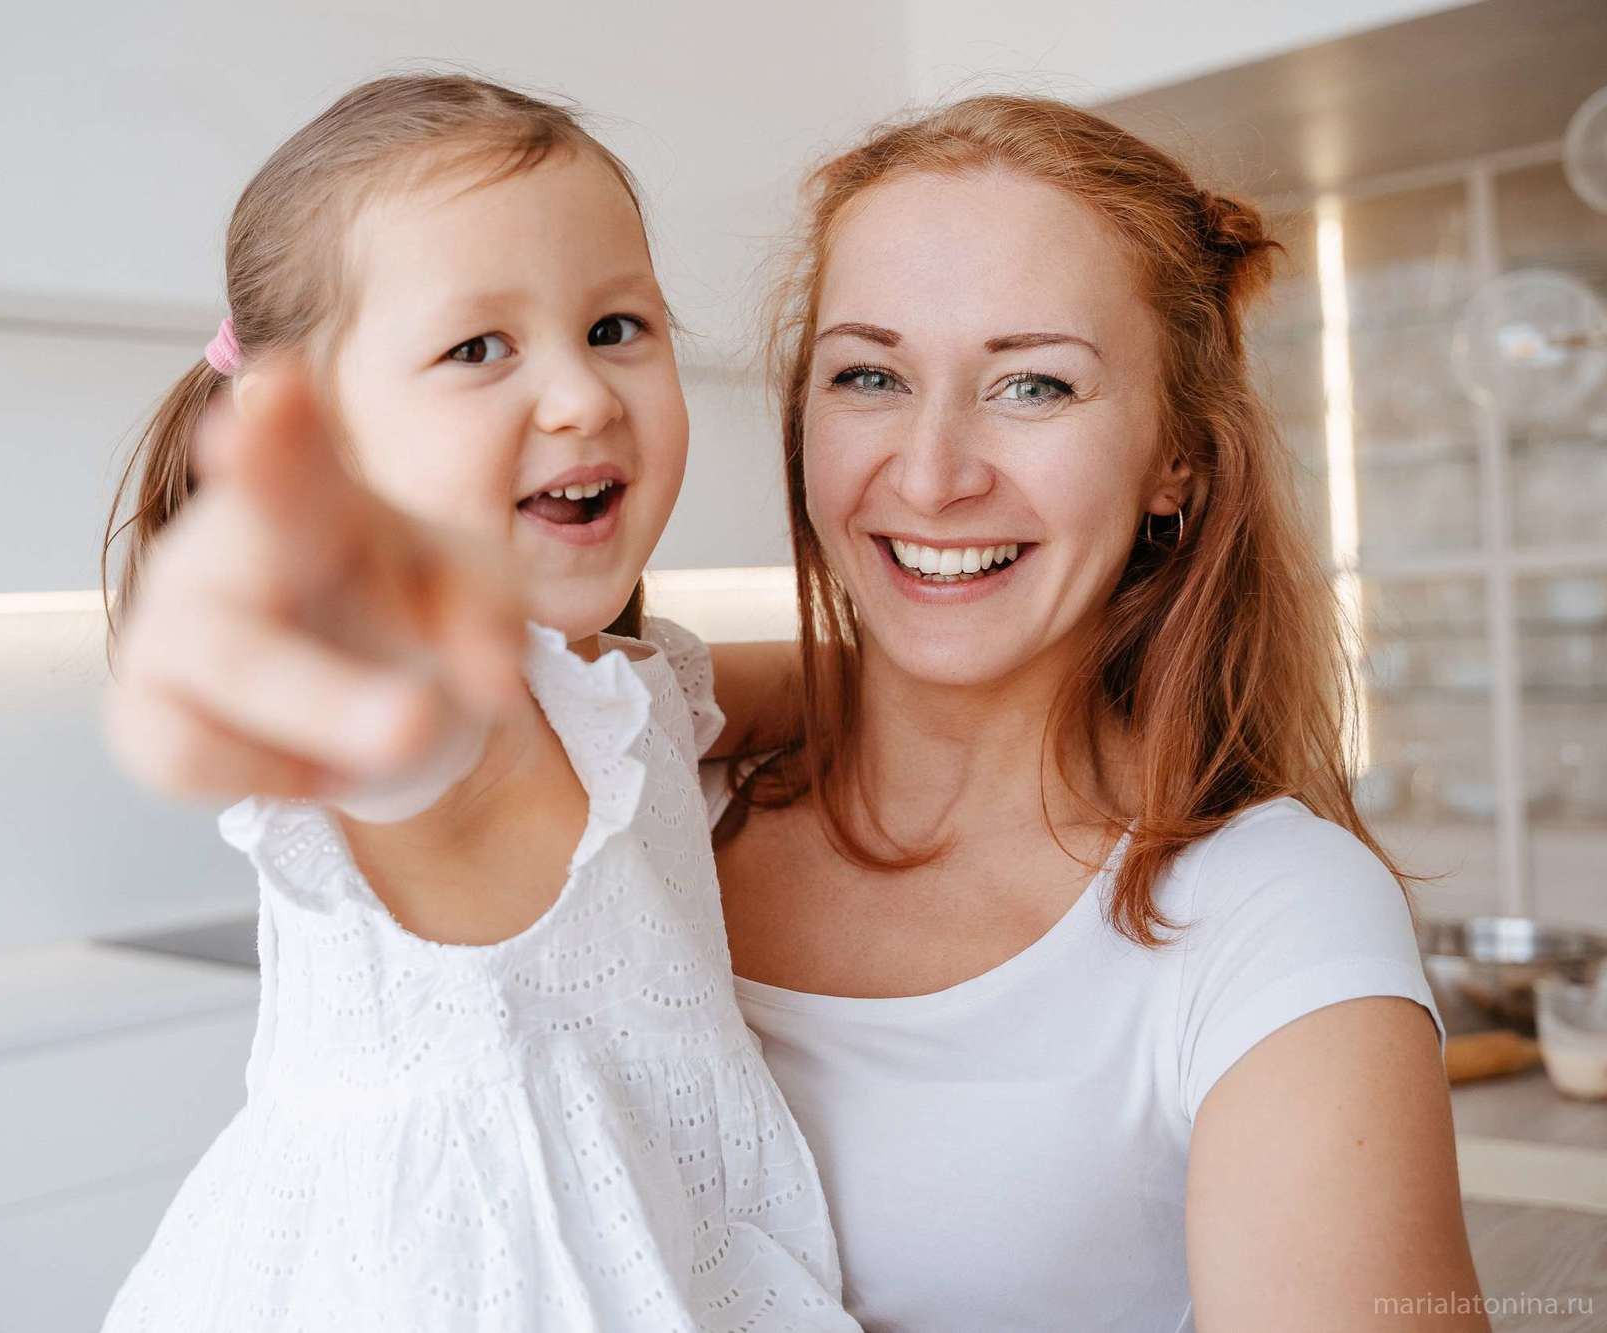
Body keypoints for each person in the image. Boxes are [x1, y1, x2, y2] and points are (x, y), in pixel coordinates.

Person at [104, 89, 1490, 1331]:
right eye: (869, 374)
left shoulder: (1264, 915)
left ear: (1177, 457)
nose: (934, 471)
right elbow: (443, 744)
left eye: (1034, 383)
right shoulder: (623, 772)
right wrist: (345, 674)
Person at [97, 74, 854, 1331]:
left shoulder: (624, 681)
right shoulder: (444, 713)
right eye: (477, 349)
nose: (580, 394)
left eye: (617, 327)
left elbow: (809, 687)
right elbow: (397, 736)